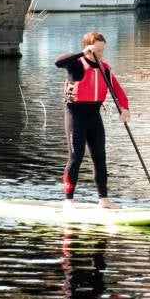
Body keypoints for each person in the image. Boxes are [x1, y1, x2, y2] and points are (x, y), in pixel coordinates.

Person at [55, 31, 130, 209]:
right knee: (76, 156)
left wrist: (125, 108)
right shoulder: (75, 65)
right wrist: (83, 53)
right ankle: (68, 200)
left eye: (102, 51)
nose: (100, 55)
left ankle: (103, 199)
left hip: (94, 116)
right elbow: (58, 62)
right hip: (75, 115)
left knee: (100, 157)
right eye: (97, 50)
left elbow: (118, 91)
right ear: (88, 49)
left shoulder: (105, 68)